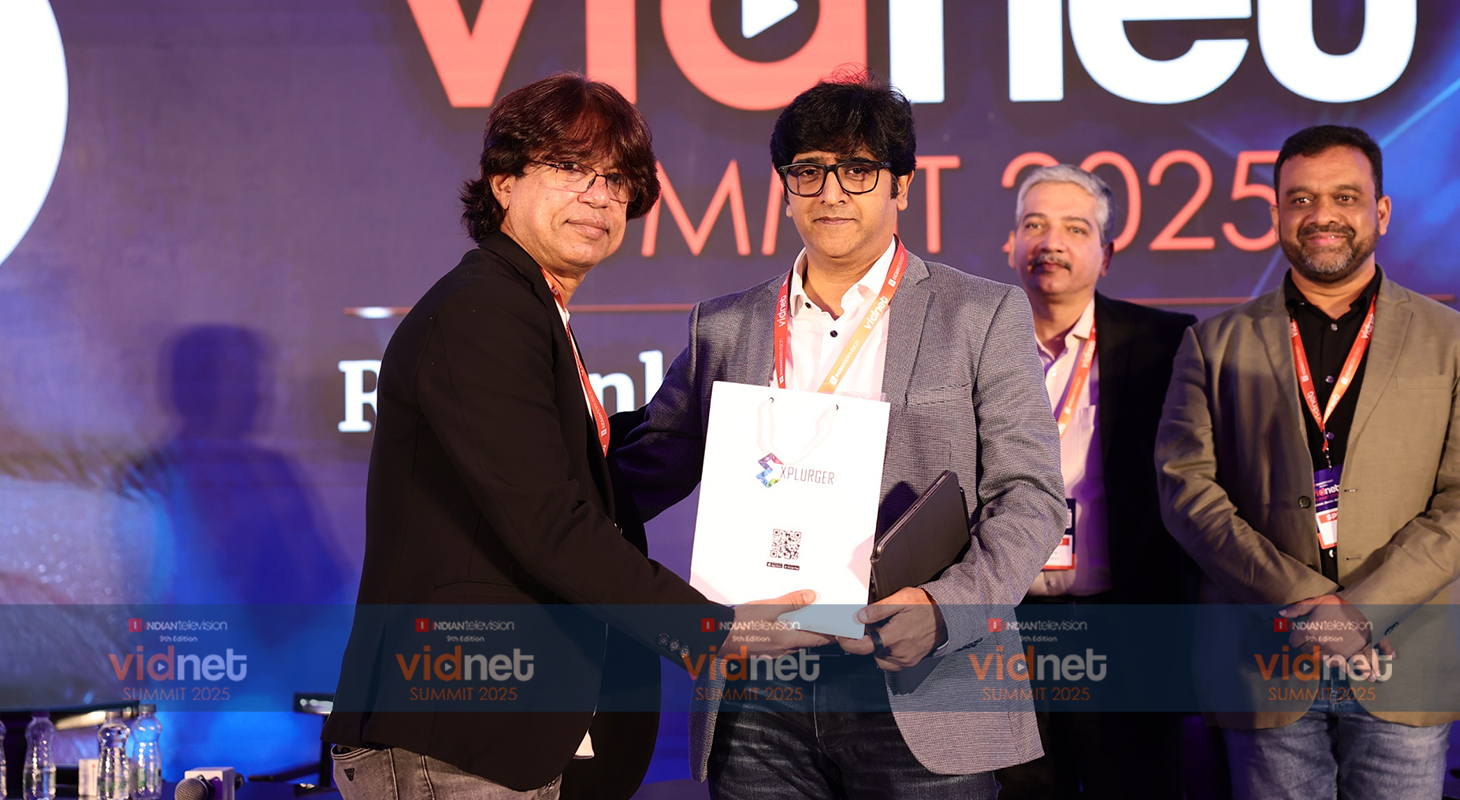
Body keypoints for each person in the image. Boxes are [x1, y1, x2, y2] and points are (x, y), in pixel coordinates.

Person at [321, 73, 829, 800]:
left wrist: (734, 425)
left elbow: (590, 478)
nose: (599, 196)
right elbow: (551, 521)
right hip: (456, 737)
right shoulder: (483, 312)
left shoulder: (528, 308)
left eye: (617, 179)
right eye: (569, 167)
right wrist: (712, 632)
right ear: (503, 181)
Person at [610, 74, 1068, 799]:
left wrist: (943, 613)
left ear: (902, 186)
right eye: (809, 171)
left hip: (921, 676)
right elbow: (640, 472)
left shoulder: (979, 315)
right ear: (785, 188)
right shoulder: (724, 327)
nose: (830, 193)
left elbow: (1032, 497)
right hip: (759, 692)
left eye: (857, 170)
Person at [1155, 124, 1460, 799]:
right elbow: (1187, 493)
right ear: (1277, 214)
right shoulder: (1213, 343)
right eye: (1301, 199)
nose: (1323, 215)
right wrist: (1303, 605)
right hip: (1266, 652)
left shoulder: (1456, 340)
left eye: (1345, 197)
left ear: (1381, 212)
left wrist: (1362, 612)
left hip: (1407, 651)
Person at [995, 164, 1194, 798]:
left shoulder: (1166, 343)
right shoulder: (977, 345)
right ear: (1012, 243)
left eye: (1075, 229)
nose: (1050, 242)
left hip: (1125, 624)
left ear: (1106, 255)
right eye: (1034, 225)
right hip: (1009, 628)